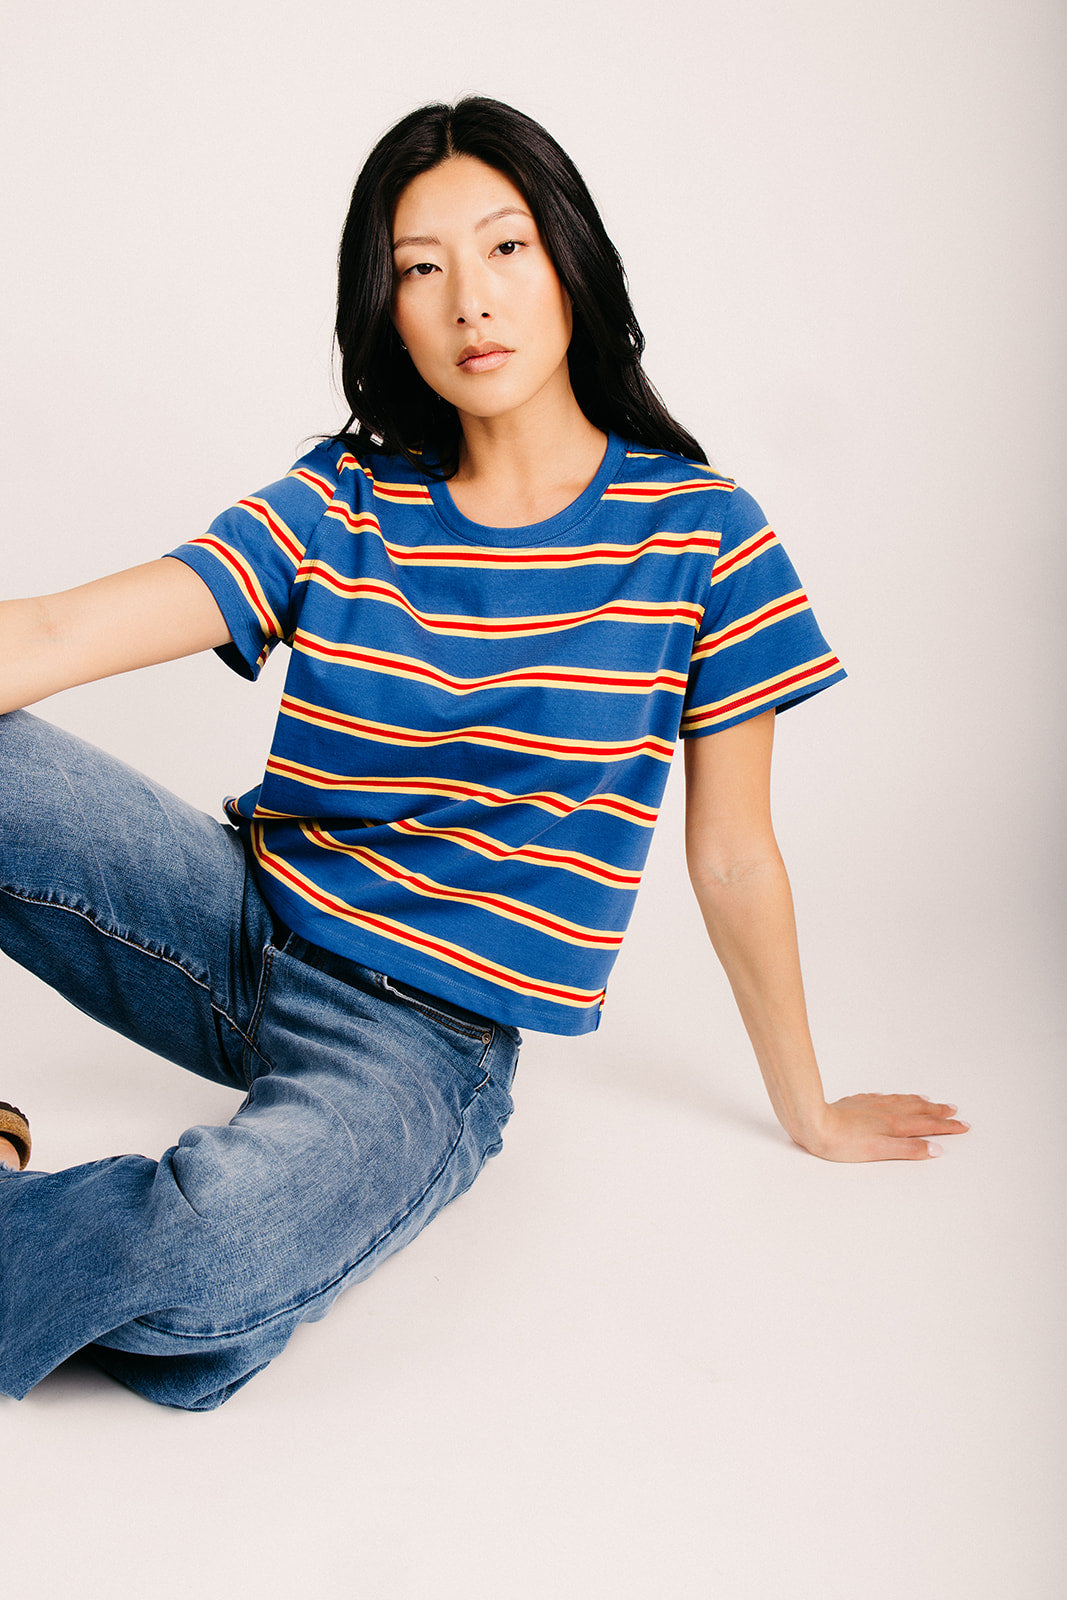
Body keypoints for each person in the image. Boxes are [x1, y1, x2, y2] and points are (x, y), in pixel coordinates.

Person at [0, 97, 968, 1411]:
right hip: (238, 922)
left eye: (506, 247)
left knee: (216, 1266)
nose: (472, 300)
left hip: (424, 1038)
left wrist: (810, 1107)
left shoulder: (702, 536)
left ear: (571, 261)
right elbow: (54, 632)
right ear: (386, 307)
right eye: (422, 266)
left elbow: (737, 854)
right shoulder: (343, 495)